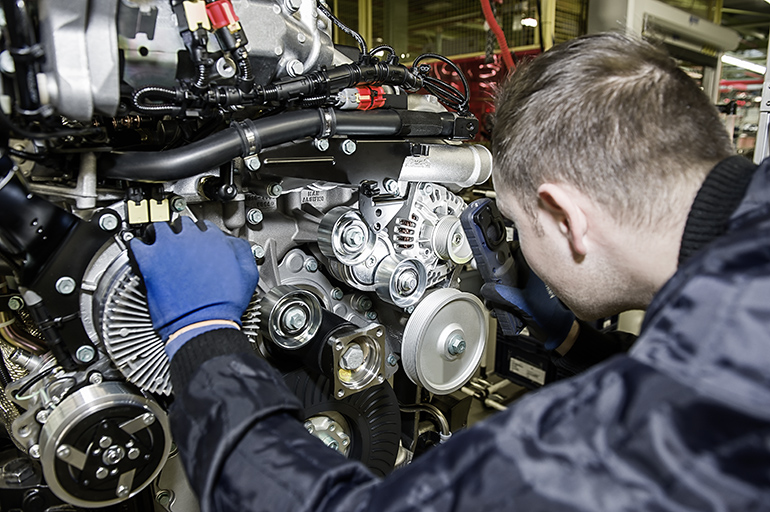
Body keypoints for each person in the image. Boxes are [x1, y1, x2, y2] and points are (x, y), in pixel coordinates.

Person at [130, 32, 770, 511]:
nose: (512, 245)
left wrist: (204, 337)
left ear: (566, 218)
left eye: (516, 226)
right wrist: (572, 342)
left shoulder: (679, 413)